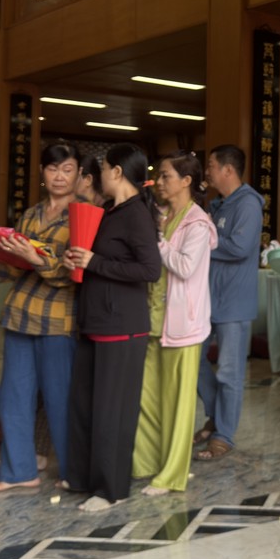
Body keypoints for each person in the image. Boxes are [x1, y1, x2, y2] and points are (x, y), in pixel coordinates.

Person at [0, 142, 80, 493]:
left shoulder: (85, 215)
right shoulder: (31, 214)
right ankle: (19, 472)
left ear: (79, 174)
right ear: (42, 174)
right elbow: (14, 270)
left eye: (67, 169)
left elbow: (72, 272)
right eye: (52, 169)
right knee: (13, 397)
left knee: (61, 398)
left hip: (58, 319)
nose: (59, 176)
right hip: (19, 315)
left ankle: (71, 471)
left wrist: (35, 259)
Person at [63, 143, 162, 511]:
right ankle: (86, 478)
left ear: (117, 172)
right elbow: (99, 258)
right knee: (86, 406)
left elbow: (150, 270)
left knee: (111, 411)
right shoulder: (109, 211)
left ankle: (111, 489)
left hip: (123, 325)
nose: (100, 174)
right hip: (95, 320)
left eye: (103, 168)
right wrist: (80, 258)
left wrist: (95, 263)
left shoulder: (137, 214)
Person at [133, 150, 218, 494]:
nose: (160, 182)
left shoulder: (198, 222)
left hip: (184, 325)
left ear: (186, 181)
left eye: (166, 175)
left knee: (179, 405)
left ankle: (171, 476)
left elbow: (184, 266)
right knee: (149, 399)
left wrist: (157, 242)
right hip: (154, 319)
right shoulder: (163, 216)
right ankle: (147, 463)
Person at [194, 144, 264, 461]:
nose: (206, 171)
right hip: (209, 298)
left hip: (234, 302)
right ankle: (215, 414)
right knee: (193, 362)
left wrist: (202, 241)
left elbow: (239, 246)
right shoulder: (219, 204)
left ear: (227, 170)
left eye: (210, 164)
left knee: (229, 372)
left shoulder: (248, 203)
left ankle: (224, 435)